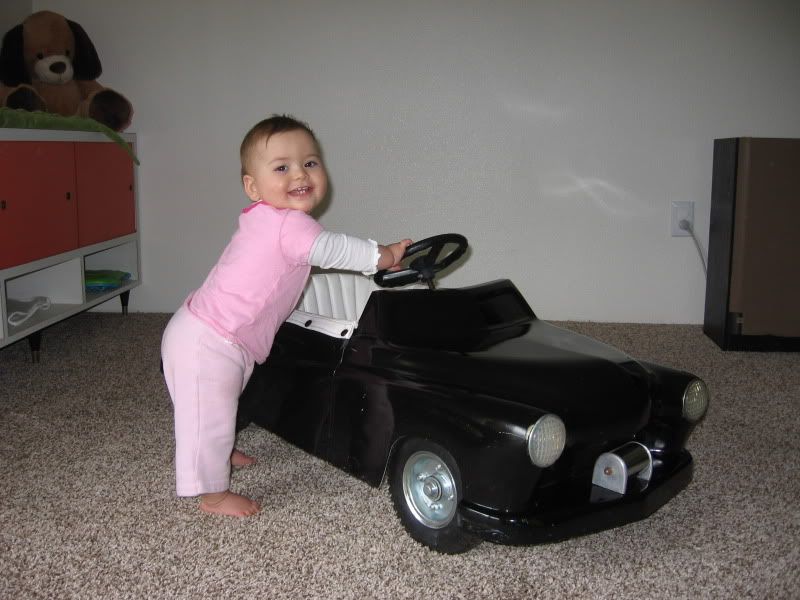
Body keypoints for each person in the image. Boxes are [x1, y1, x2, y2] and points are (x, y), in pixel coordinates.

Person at [161, 115, 411, 517]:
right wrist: (382, 255)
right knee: (205, 417)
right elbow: (335, 249)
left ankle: (220, 453)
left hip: (225, 336)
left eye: (310, 162)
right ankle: (211, 494)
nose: (300, 174)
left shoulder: (273, 222)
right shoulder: (289, 226)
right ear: (252, 187)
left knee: (221, 407)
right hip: (209, 339)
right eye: (282, 167)